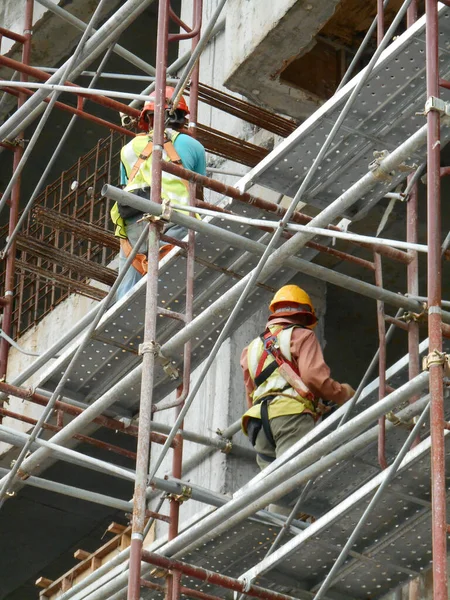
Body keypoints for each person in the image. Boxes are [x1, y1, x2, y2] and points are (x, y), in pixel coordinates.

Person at [241, 284, 355, 473]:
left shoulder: (250, 349)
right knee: (290, 484)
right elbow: (313, 378)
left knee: (271, 489)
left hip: (258, 424)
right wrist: (342, 394)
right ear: (305, 315)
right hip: (289, 418)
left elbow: (251, 394)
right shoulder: (303, 335)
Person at [111, 86, 206, 300]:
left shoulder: (128, 150)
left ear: (148, 118)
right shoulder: (192, 145)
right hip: (175, 222)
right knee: (187, 288)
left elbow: (127, 187)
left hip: (131, 231)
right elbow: (198, 193)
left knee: (127, 296)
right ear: (182, 118)